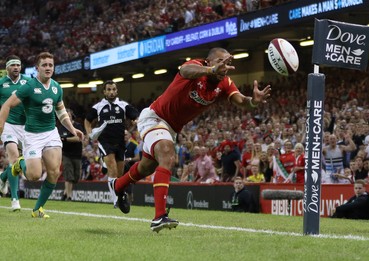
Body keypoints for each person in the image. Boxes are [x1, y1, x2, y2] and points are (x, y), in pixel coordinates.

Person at [110, 47, 271, 232]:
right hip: (155, 117)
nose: (225, 67)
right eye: (221, 62)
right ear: (208, 62)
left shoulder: (224, 83)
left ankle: (117, 185)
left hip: (171, 128)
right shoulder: (195, 66)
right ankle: (159, 217)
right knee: (167, 155)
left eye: (228, 64)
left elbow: (242, 101)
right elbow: (184, 70)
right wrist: (211, 71)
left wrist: (253, 101)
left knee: (147, 166)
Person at [0, 52, 84, 218]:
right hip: (32, 135)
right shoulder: (28, 86)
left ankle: (38, 209)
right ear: (37, 68)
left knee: (54, 172)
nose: (48, 68)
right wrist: (1, 125)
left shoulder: (56, 87)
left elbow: (60, 111)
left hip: (51, 133)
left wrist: (73, 130)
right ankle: (18, 165)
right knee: (34, 175)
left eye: (50, 65)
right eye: (44, 65)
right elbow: (7, 105)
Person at [84, 80, 138, 208]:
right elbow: (87, 120)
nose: (111, 92)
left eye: (113, 89)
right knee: (112, 169)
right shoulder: (98, 107)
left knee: (119, 174)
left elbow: (134, 115)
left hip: (120, 142)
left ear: (117, 91)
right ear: (104, 92)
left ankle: (120, 196)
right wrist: (89, 133)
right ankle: (115, 201)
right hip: (105, 141)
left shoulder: (123, 105)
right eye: (108, 89)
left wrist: (136, 120)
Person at [0, 55, 31, 211]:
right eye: (13, 65)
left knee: (23, 162)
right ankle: (14, 199)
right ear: (7, 68)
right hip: (8, 125)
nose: (16, 68)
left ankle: (3, 177)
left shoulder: (28, 81)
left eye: (18, 65)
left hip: (26, 126)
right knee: (13, 157)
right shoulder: (1, 84)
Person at [58, 109, 84, 201]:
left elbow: (78, 138)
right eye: (65, 115)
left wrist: (65, 139)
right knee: (69, 176)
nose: (67, 117)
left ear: (72, 116)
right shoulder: (61, 127)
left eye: (68, 115)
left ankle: (65, 193)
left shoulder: (78, 126)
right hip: (66, 154)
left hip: (77, 154)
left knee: (76, 178)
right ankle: (69, 196)